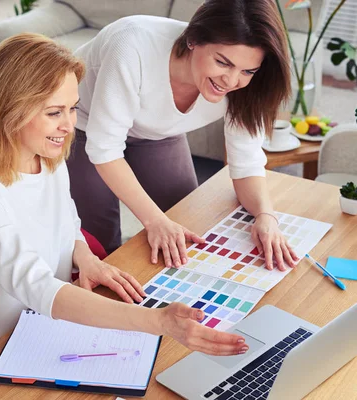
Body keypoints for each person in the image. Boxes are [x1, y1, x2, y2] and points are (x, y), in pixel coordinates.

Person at [0, 33, 247, 372]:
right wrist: (158, 322)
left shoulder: (43, 153)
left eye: (72, 108)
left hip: (43, 323)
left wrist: (84, 256)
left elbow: (65, 219)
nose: (70, 125)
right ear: (9, 109)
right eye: (54, 112)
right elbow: (35, 285)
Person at [68, 0, 300, 271]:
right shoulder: (131, 45)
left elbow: (247, 163)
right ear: (193, 39)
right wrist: (154, 221)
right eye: (222, 62)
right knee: (101, 247)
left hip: (159, 133)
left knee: (188, 227)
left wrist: (266, 216)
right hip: (85, 126)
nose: (231, 81)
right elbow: (104, 149)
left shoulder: (247, 88)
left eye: (247, 71)